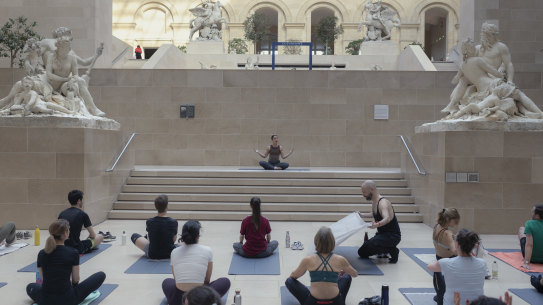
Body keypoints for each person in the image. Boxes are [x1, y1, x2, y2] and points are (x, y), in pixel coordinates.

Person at [26, 219, 106, 305]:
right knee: (101, 275)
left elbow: (44, 279)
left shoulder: (41, 253)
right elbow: (75, 279)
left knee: (30, 286)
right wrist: (73, 290)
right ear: (65, 233)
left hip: (46, 300)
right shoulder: (73, 252)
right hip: (68, 300)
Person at [162, 220, 230, 305]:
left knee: (167, 282)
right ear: (198, 236)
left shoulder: (174, 252)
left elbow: (177, 280)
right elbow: (207, 280)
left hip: (179, 299)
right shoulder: (207, 250)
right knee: (225, 281)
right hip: (200, 299)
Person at [286, 226, 357, 305]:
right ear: (332, 242)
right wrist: (342, 269)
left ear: (316, 242)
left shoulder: (307, 260)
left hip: (313, 302)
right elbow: (354, 274)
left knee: (289, 281)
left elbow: (293, 276)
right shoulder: (340, 259)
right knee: (347, 276)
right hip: (335, 302)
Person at [427, 229, 487, 305]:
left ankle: (439, 298)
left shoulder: (446, 263)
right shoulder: (482, 263)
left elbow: (430, 267)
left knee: (438, 273)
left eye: (454, 238)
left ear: (457, 245)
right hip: (478, 303)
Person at [357, 180, 402, 263]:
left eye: (364, 192)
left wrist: (377, 224)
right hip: (383, 235)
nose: (363, 194)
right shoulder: (375, 201)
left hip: (392, 236)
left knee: (367, 247)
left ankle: (393, 250)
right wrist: (362, 215)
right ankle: (386, 249)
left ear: (371, 189)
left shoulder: (383, 203)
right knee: (362, 252)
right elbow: (375, 213)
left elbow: (387, 218)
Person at [131, 194, 178, 259]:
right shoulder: (173, 222)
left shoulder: (149, 221)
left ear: (156, 207)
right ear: (167, 207)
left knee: (134, 236)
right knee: (183, 243)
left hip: (153, 254)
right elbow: (173, 240)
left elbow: (150, 239)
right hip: (169, 253)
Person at [58, 190, 104, 254]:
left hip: (62, 246)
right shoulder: (83, 214)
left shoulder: (62, 213)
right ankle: (90, 246)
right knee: (100, 236)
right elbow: (93, 235)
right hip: (76, 248)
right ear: (79, 201)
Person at [432, 208, 461, 305]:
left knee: (439, 281)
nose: (456, 224)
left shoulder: (436, 227)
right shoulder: (448, 233)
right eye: (455, 221)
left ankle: (438, 296)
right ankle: (441, 298)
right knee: (444, 285)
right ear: (448, 219)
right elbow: (454, 251)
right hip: (448, 261)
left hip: (438, 258)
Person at [518, 204, 543, 269]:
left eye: (532, 212)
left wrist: (526, 263)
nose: (531, 213)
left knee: (521, 229)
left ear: (537, 216)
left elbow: (529, 244)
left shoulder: (529, 223)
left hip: (532, 258)